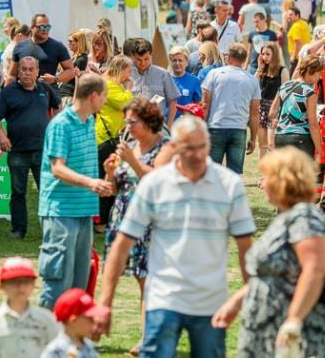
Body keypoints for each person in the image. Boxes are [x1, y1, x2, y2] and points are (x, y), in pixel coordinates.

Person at [99, 116, 255, 358]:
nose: (196, 154)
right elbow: (122, 243)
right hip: (163, 299)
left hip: (210, 302)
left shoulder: (229, 184)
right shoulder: (155, 184)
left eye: (202, 147)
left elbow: (246, 248)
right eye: (188, 148)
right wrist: (105, 302)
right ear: (174, 148)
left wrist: (248, 297)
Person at [212, 146, 325, 356]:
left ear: (282, 181)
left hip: (295, 336)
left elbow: (315, 270)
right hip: (268, 330)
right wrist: (235, 304)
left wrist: (294, 320)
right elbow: (271, 273)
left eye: (265, 178)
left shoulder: (305, 217)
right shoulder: (286, 218)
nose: (261, 184)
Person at [102, 99, 173, 354]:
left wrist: (131, 160)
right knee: (137, 278)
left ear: (149, 121)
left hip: (151, 223)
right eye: (127, 122)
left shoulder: (166, 147)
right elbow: (113, 189)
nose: (128, 127)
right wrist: (109, 172)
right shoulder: (130, 147)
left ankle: (148, 338)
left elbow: (157, 178)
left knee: (148, 280)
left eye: (132, 121)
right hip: (123, 220)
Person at [38, 74, 112, 308]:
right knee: (58, 281)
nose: (105, 101)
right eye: (104, 96)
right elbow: (58, 169)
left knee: (80, 282)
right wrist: (90, 183)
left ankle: (72, 339)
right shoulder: (61, 124)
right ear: (93, 96)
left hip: (83, 211)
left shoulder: (89, 121)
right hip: (60, 211)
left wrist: (105, 174)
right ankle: (45, 336)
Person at [0, 56, 61, 239]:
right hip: (17, 151)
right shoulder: (9, 92)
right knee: (18, 192)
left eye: (31, 69)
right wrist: (2, 136)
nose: (27, 73)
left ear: (37, 71)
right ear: (18, 71)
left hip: (43, 151)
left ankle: (51, 229)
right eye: (23, 69)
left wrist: (54, 126)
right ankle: (18, 229)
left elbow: (58, 107)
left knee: (47, 191)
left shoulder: (45, 89)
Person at [0, 257, 61, 358]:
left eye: (26, 281)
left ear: (33, 285)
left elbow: (58, 351)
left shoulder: (46, 319)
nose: (20, 287)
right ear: (1, 285)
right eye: (13, 281)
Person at [202, 43, 261, 174]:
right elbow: (254, 113)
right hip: (239, 130)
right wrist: (253, 138)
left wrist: (202, 128)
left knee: (211, 172)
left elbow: (205, 105)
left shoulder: (214, 74)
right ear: (245, 59)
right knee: (234, 175)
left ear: (229, 57)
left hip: (215, 127)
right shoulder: (252, 80)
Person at [95, 56, 134, 231]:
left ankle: (108, 219)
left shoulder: (112, 83)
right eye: (128, 70)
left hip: (112, 137)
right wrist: (130, 89)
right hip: (105, 138)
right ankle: (101, 221)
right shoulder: (109, 84)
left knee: (112, 179)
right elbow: (126, 104)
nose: (130, 74)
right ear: (120, 69)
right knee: (106, 178)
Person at [270, 55, 324, 160]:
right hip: (301, 139)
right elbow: (313, 124)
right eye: (319, 73)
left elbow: (272, 112)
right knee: (300, 175)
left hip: (281, 137)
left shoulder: (284, 86)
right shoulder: (309, 92)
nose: (320, 77)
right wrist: (319, 149)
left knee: (284, 175)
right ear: (310, 71)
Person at [7, 13, 75, 88]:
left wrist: (55, 79)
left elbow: (71, 70)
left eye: (48, 27)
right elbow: (12, 75)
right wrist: (5, 95)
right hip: (24, 94)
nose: (45, 30)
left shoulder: (57, 46)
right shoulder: (20, 46)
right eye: (42, 27)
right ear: (32, 28)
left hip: (47, 93)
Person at [43, 288, 109, 358]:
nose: (94, 323)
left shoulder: (89, 346)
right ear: (73, 321)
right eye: (90, 319)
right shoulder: (55, 351)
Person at [130, 38, 180, 125]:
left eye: (146, 59)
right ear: (133, 57)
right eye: (139, 60)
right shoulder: (127, 75)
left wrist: (169, 125)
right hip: (134, 125)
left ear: (151, 55)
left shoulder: (163, 74)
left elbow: (173, 101)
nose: (143, 63)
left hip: (158, 126)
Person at [255, 42, 289, 157]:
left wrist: (280, 114)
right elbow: (253, 85)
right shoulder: (262, 70)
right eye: (263, 54)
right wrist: (259, 69)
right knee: (262, 144)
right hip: (262, 109)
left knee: (271, 144)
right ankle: (264, 172)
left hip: (275, 110)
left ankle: (272, 173)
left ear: (274, 55)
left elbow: (285, 94)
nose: (264, 57)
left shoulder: (282, 71)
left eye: (268, 54)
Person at [169, 47, 202, 119]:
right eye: (174, 60)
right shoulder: (165, 79)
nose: (177, 63)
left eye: (180, 60)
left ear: (187, 62)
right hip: (167, 124)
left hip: (186, 124)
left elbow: (198, 105)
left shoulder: (194, 81)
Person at [60, 30, 90, 99]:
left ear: (78, 43)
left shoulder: (82, 59)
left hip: (69, 94)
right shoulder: (75, 57)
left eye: (71, 41)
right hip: (64, 92)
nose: (68, 44)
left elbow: (72, 78)